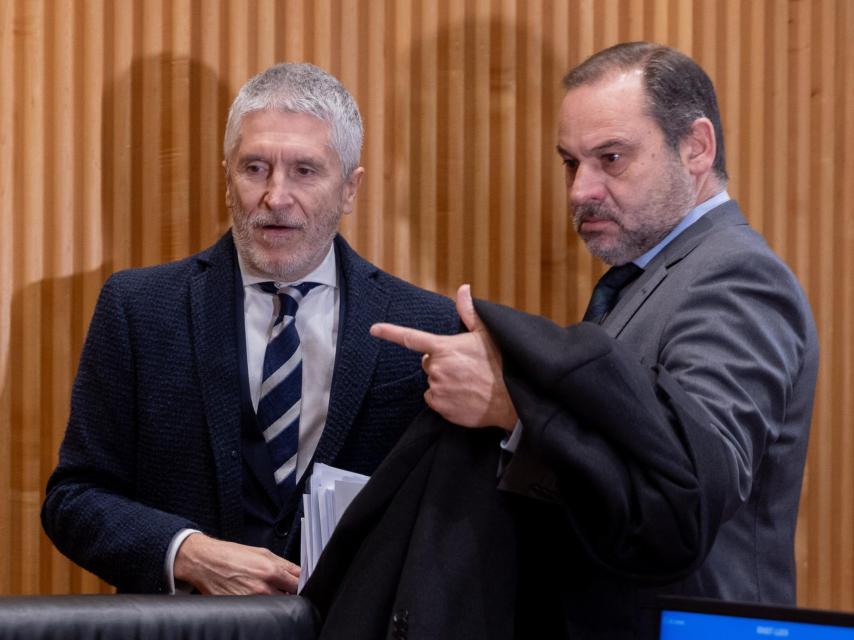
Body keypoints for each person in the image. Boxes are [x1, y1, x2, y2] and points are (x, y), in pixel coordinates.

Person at [371, 42, 819, 637]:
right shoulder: (643, 280)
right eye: (570, 163)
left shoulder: (735, 278)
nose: (581, 190)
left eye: (611, 158)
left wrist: (513, 411)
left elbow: (684, 499)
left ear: (696, 147)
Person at [41, 62, 459, 595]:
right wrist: (186, 552)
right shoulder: (138, 309)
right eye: (255, 168)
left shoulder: (426, 326)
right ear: (227, 177)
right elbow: (73, 498)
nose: (276, 197)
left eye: (305, 171)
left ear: (350, 189)